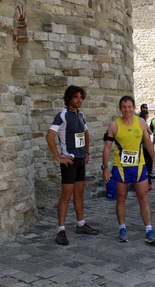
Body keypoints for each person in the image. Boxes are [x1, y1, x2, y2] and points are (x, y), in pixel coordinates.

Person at [102, 95, 155, 244]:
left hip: (139, 166)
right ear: (120, 109)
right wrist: (105, 168)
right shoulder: (114, 125)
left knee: (143, 198)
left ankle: (149, 229)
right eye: (124, 107)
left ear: (134, 108)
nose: (127, 110)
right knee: (121, 197)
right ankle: (122, 228)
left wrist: (154, 160)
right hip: (121, 167)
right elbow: (108, 147)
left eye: (129, 107)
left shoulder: (140, 122)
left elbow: (147, 141)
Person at [45, 85, 99, 246]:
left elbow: (86, 133)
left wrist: (87, 152)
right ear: (69, 98)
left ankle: (81, 224)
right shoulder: (62, 115)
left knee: (80, 194)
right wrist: (59, 158)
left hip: (81, 161)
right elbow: (49, 137)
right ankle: (61, 230)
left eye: (81, 97)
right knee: (66, 195)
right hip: (69, 162)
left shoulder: (81, 115)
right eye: (76, 97)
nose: (79, 100)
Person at [139, 110, 153, 190]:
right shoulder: (143, 122)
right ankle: (148, 183)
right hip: (145, 146)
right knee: (146, 164)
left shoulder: (137, 122)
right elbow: (150, 132)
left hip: (141, 146)